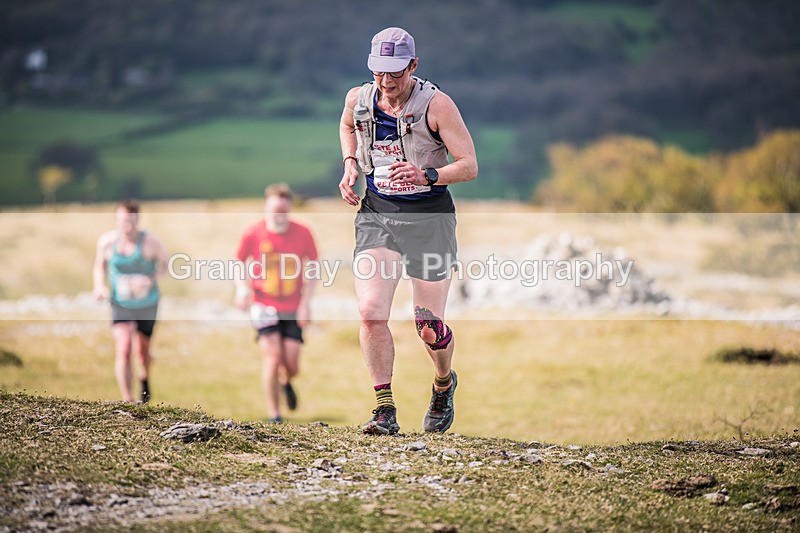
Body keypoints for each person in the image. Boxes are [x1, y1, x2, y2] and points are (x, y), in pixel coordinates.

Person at [338, 27, 478, 435]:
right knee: (370, 312)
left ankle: (443, 383)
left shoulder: (437, 105)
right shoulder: (358, 99)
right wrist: (350, 162)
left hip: (429, 220)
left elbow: (469, 165)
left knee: (428, 326)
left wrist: (427, 174)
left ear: (413, 66)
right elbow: (347, 126)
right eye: (378, 72)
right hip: (377, 214)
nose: (386, 81)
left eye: (395, 73)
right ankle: (384, 409)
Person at [234, 184, 318, 423]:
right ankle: (275, 415)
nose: (278, 215)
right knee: (271, 358)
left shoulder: (303, 232)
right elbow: (239, 262)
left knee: (291, 365)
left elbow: (313, 267)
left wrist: (306, 303)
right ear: (266, 207)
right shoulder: (253, 233)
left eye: (283, 210)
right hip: (263, 305)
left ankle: (286, 380)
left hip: (293, 306)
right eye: (274, 210)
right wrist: (242, 290)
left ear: (289, 208)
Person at [93, 199, 168, 403]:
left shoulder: (150, 242)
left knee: (142, 352)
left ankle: (144, 375)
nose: (127, 225)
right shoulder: (107, 242)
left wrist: (149, 280)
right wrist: (99, 286)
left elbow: (165, 264)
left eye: (132, 220)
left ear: (138, 219)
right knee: (124, 348)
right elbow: (100, 265)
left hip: (147, 304)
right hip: (120, 303)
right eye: (123, 220)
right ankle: (128, 401)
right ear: (116, 219)